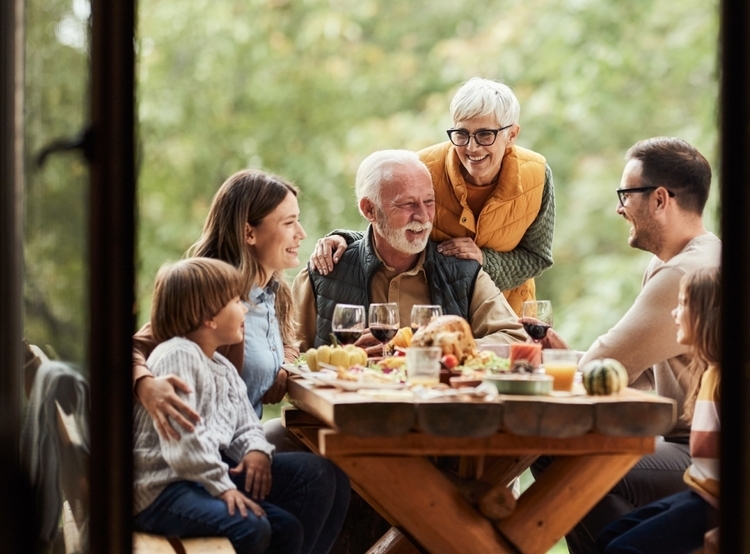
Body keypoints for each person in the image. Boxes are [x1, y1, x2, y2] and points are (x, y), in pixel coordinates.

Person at [528, 137, 721, 554]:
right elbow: (632, 373)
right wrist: (568, 357)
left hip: (703, 461)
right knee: (590, 494)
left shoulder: (683, 274)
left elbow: (604, 363)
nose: (619, 208)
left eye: (625, 194)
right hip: (681, 446)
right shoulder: (691, 258)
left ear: (659, 200)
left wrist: (570, 362)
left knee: (558, 454)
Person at [133, 258, 349, 553]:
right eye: (236, 301)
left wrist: (256, 450)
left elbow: (245, 422)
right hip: (163, 489)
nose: (245, 309)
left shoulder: (220, 365)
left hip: (199, 475)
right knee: (252, 528)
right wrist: (222, 488)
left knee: (291, 522)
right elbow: (186, 444)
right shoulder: (178, 355)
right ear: (209, 317)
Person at [310, 77, 555, 315]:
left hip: (509, 317)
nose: (471, 147)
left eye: (484, 135)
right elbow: (391, 232)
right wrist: (344, 238)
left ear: (511, 135)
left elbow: (537, 257)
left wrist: (484, 261)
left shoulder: (537, 175)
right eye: (461, 134)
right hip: (437, 315)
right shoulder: (422, 169)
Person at [292, 149, 528, 353]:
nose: (424, 217)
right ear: (369, 210)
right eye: (407, 204)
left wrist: (428, 346)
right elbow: (289, 357)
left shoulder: (464, 273)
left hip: (437, 405)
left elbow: (516, 339)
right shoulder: (324, 272)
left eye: (428, 201)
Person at [132, 169, 305, 441]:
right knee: (321, 471)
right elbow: (133, 347)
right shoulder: (210, 296)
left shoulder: (274, 292)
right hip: (199, 451)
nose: (301, 233)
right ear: (249, 233)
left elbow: (287, 342)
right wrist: (146, 385)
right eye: (289, 223)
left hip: (243, 443)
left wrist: (284, 365)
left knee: (325, 459)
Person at [596, 267, 720, 554]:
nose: (674, 314)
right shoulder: (709, 372)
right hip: (699, 492)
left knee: (623, 549)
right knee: (608, 537)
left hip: (715, 505)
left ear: (707, 315)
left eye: (683, 304)